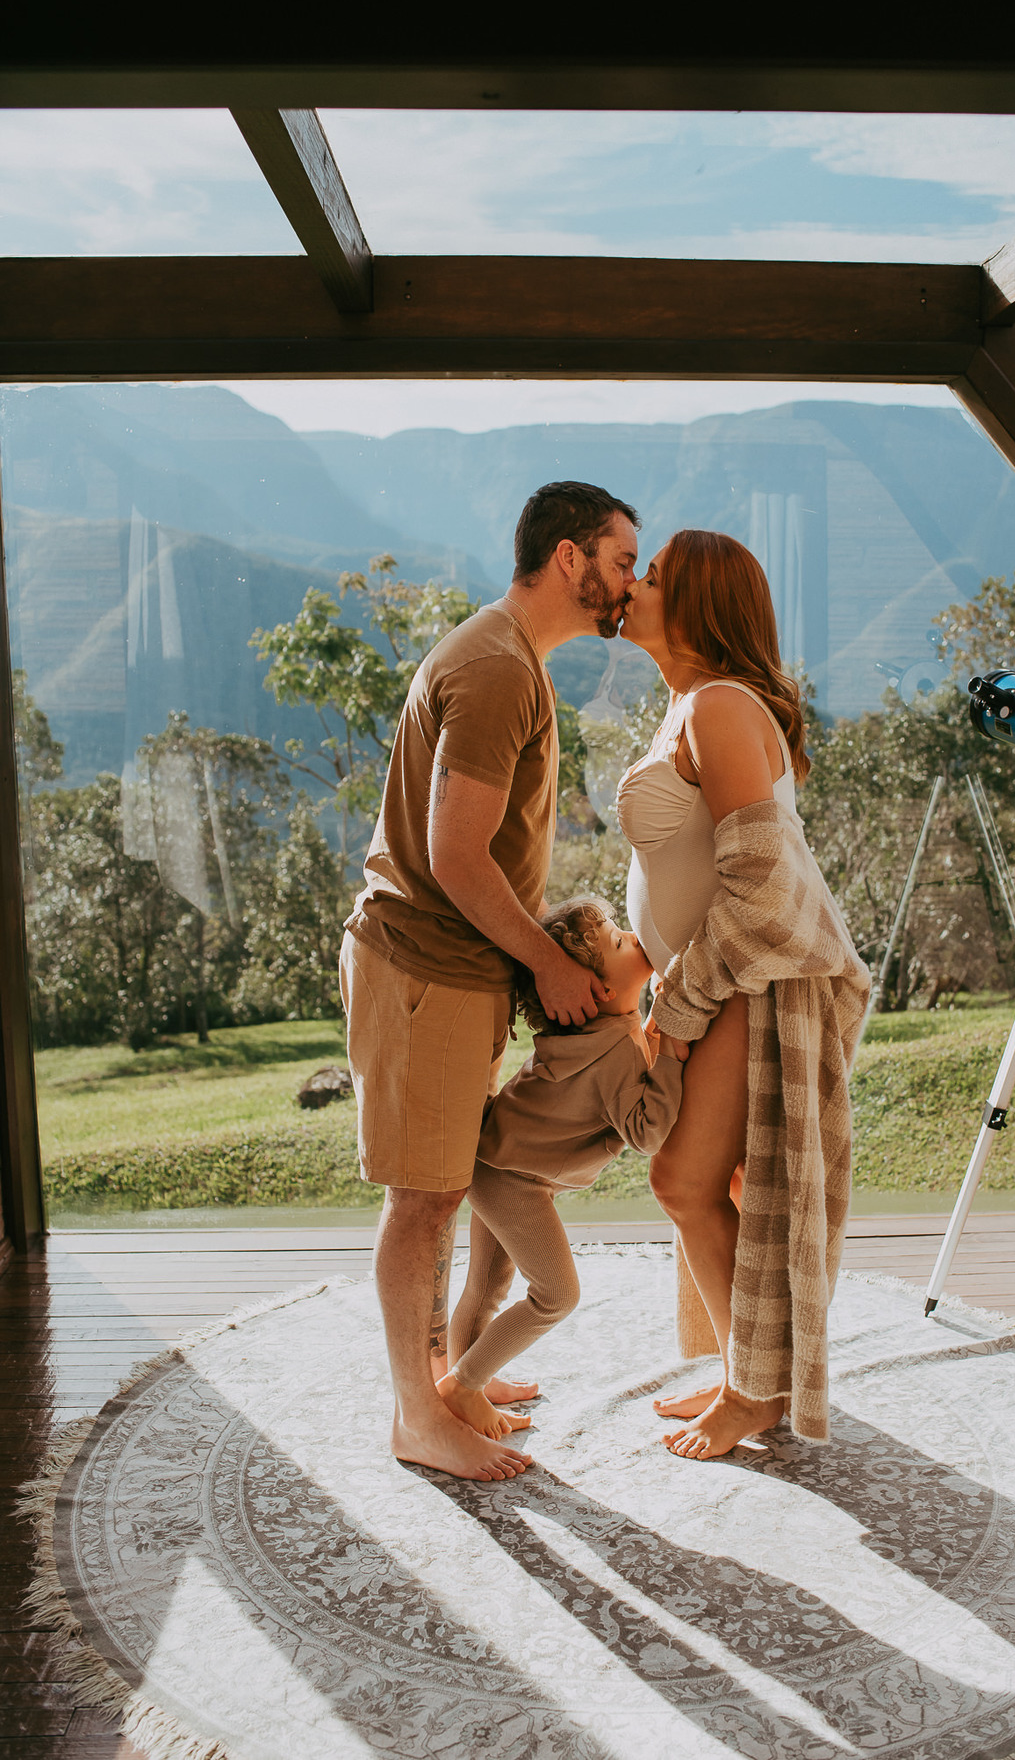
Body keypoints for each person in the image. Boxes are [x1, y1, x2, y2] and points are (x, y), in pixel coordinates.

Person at [341, 482, 640, 1482]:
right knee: (423, 1199)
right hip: (425, 968)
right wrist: (551, 961)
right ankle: (413, 1417)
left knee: (443, 1184)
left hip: (453, 971)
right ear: (569, 556)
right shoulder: (497, 669)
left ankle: (438, 1381)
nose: (627, 582)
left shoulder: (508, 659)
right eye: (620, 559)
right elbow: (457, 855)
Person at [617, 529, 870, 1461]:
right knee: (710, 1186)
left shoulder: (720, 707)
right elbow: (682, 867)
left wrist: (677, 1008)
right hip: (712, 982)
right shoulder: (689, 702)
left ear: (697, 604)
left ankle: (753, 1393)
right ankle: (745, 1375)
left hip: (742, 989)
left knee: (683, 1182)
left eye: (651, 576)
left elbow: (758, 887)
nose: (632, 587)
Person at [436, 895, 688, 1439]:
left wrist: (652, 1026)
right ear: (598, 989)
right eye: (619, 941)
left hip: (492, 1160)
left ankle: (470, 1376)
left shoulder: (596, 1032)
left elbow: (618, 1059)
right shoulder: (616, 1046)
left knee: (488, 1284)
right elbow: (645, 1131)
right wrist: (671, 1053)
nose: (631, 936)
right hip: (514, 1179)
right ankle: (461, 1388)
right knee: (556, 1295)